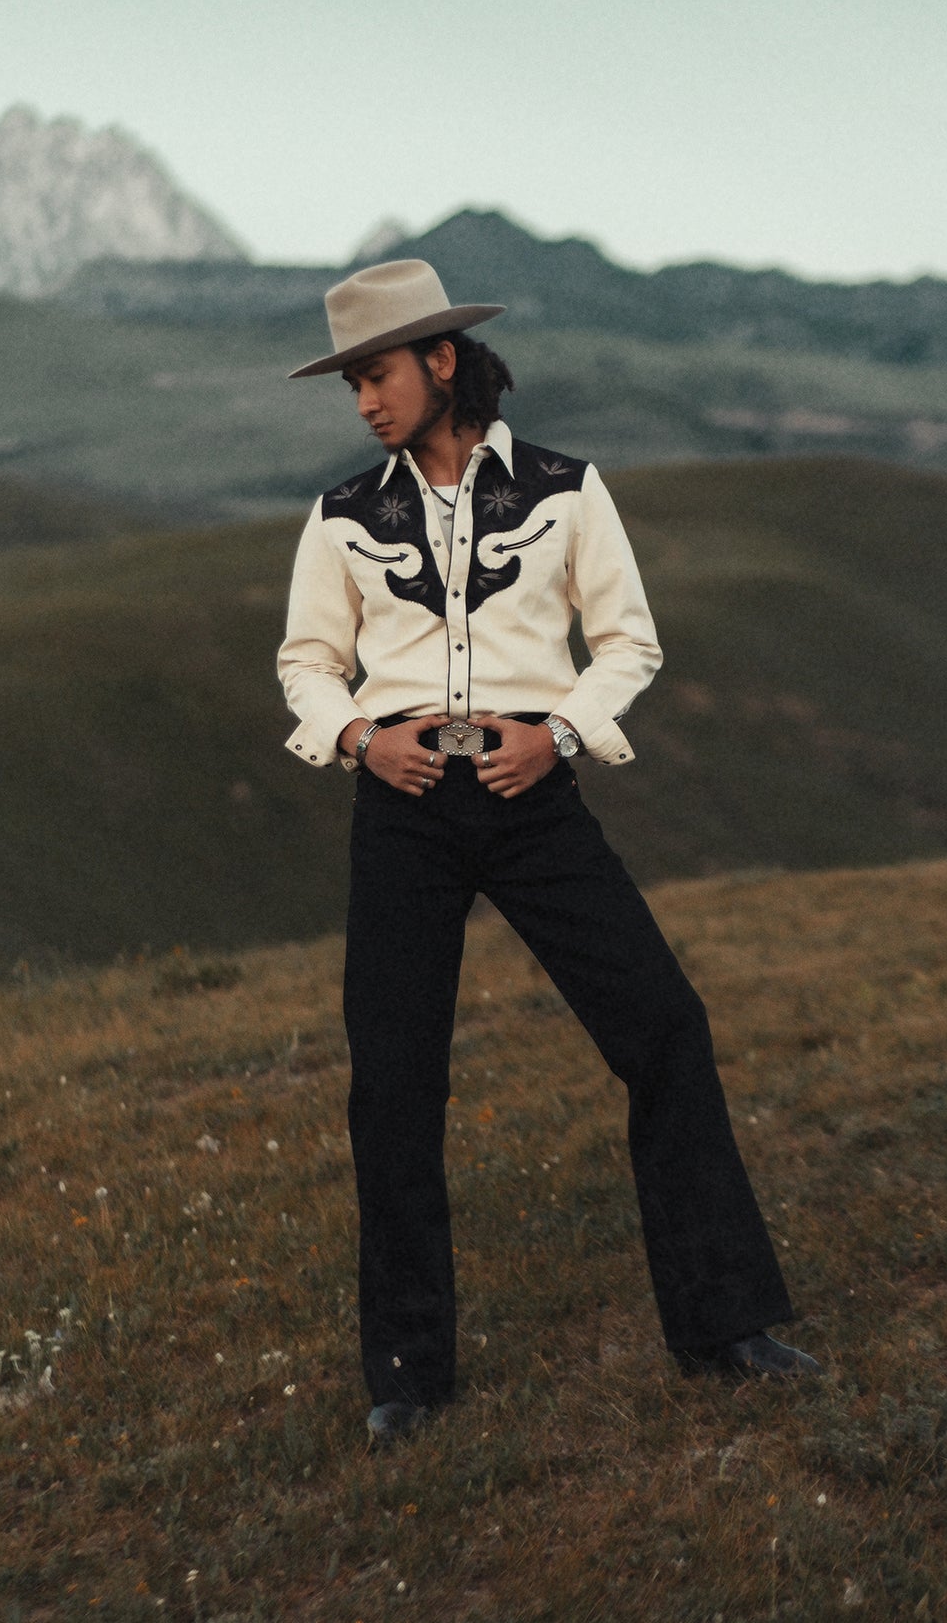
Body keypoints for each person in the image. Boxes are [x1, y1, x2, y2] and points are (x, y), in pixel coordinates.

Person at [278, 258, 820, 1446]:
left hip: (531, 795)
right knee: (393, 1082)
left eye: (376, 375)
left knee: (663, 1028)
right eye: (350, 383)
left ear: (440, 360)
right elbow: (306, 664)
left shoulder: (568, 491)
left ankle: (723, 1326)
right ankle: (407, 1379)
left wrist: (558, 733)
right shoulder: (340, 516)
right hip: (402, 805)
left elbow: (626, 642)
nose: (362, 402)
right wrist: (359, 738)